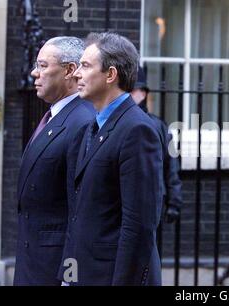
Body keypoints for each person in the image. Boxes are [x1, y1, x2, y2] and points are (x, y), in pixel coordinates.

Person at [59, 32, 163, 286]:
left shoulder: (137, 130)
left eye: (85, 65)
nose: (76, 74)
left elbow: (138, 225)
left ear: (110, 75)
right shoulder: (89, 129)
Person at [14, 36, 95, 285]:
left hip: (53, 268)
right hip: (34, 259)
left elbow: (81, 207)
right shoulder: (55, 116)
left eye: (42, 65)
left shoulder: (82, 121)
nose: (34, 73)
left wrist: (69, 277)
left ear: (70, 70)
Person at [131, 68, 182, 224]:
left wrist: (174, 202)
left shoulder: (159, 125)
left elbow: (171, 164)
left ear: (143, 93)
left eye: (131, 91)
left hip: (153, 198)